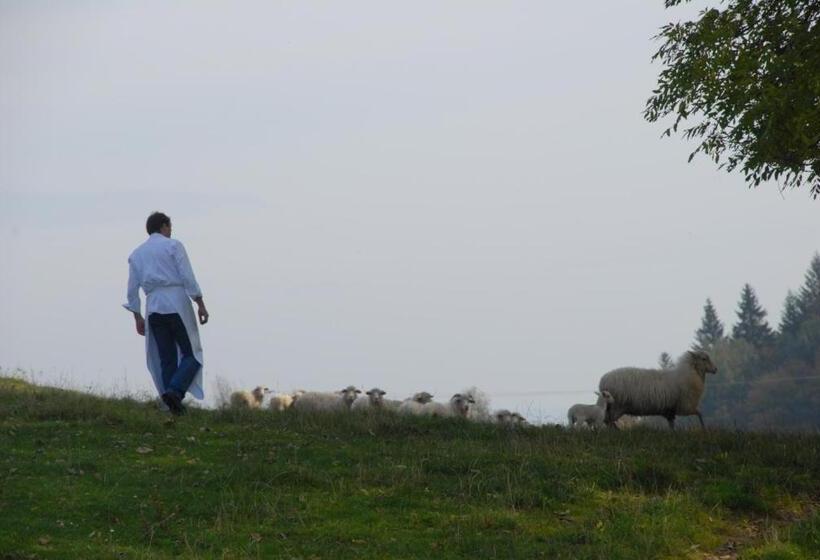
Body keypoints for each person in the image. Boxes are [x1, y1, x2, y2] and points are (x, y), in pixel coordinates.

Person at [123, 212, 209, 415]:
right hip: (175, 301)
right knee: (192, 354)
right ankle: (175, 392)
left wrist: (137, 316)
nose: (171, 231)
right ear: (163, 226)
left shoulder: (137, 254)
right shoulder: (173, 246)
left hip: (153, 306)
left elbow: (131, 289)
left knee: (166, 357)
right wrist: (200, 302)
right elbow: (187, 276)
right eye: (170, 227)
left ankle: (171, 405)